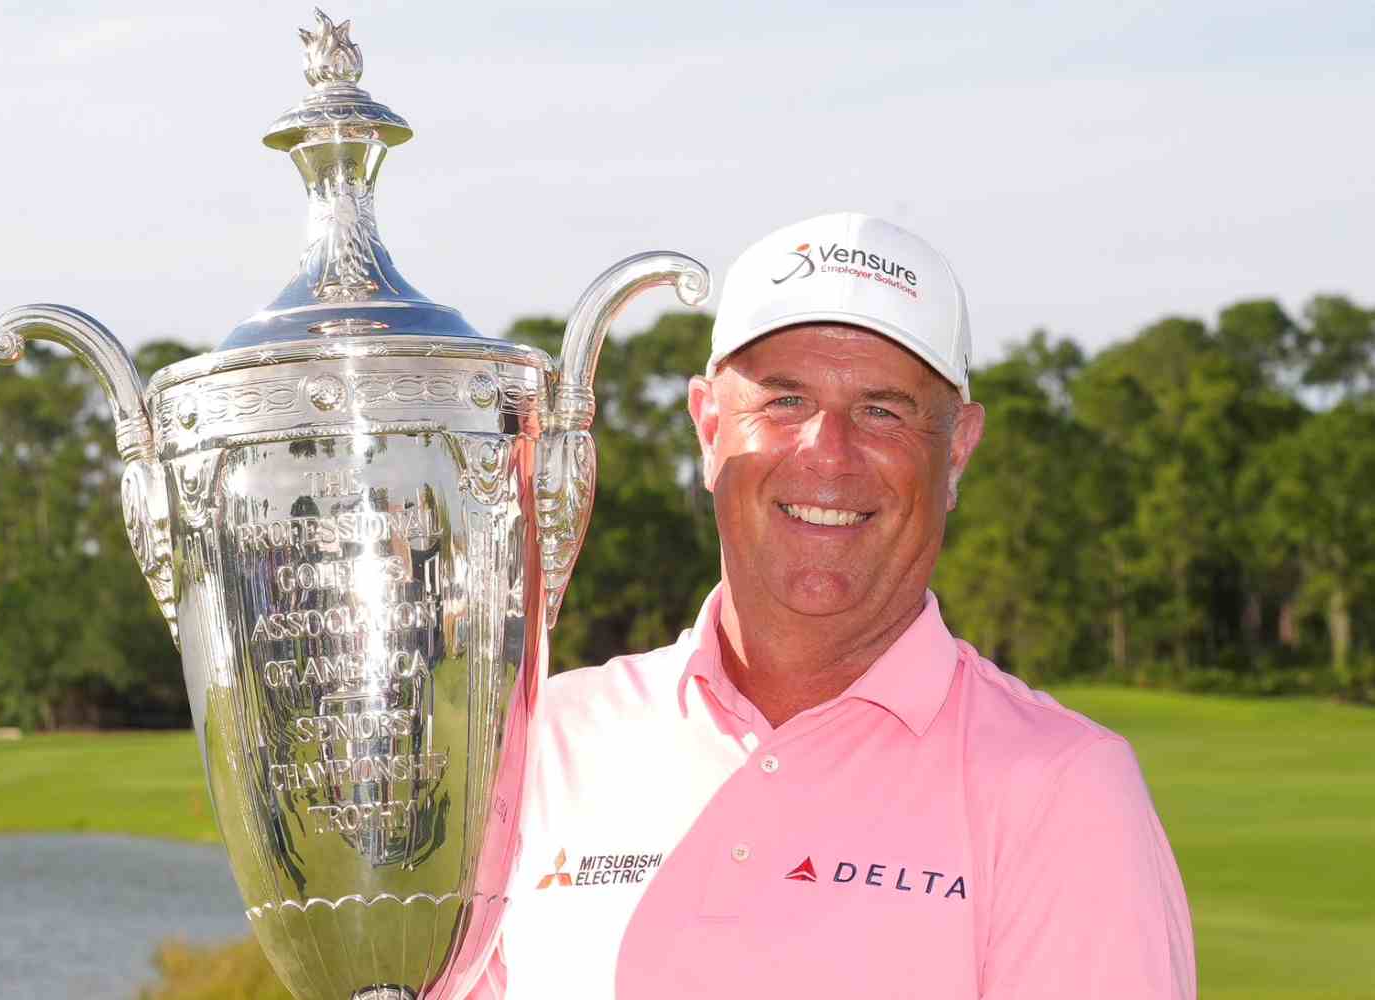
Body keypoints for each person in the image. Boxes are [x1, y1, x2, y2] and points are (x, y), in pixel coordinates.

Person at [468, 212, 1196, 999]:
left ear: (957, 449)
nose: (828, 451)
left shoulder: (1066, 788)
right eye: (784, 401)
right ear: (710, 426)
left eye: (884, 410)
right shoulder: (542, 739)